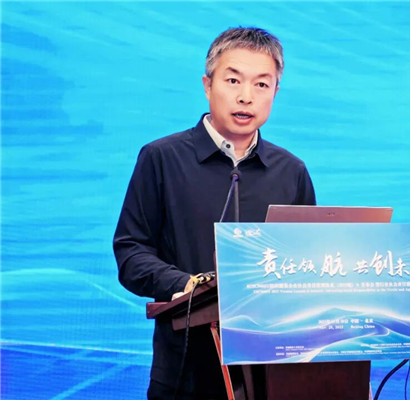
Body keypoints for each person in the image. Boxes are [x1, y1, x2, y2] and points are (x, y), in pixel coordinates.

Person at [113, 27, 316, 399]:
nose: (246, 96)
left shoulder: (292, 172)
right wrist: (187, 284)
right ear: (208, 85)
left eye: (261, 84)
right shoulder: (162, 158)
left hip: (273, 374)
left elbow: (309, 267)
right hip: (185, 372)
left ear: (275, 92)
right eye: (233, 80)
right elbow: (131, 253)